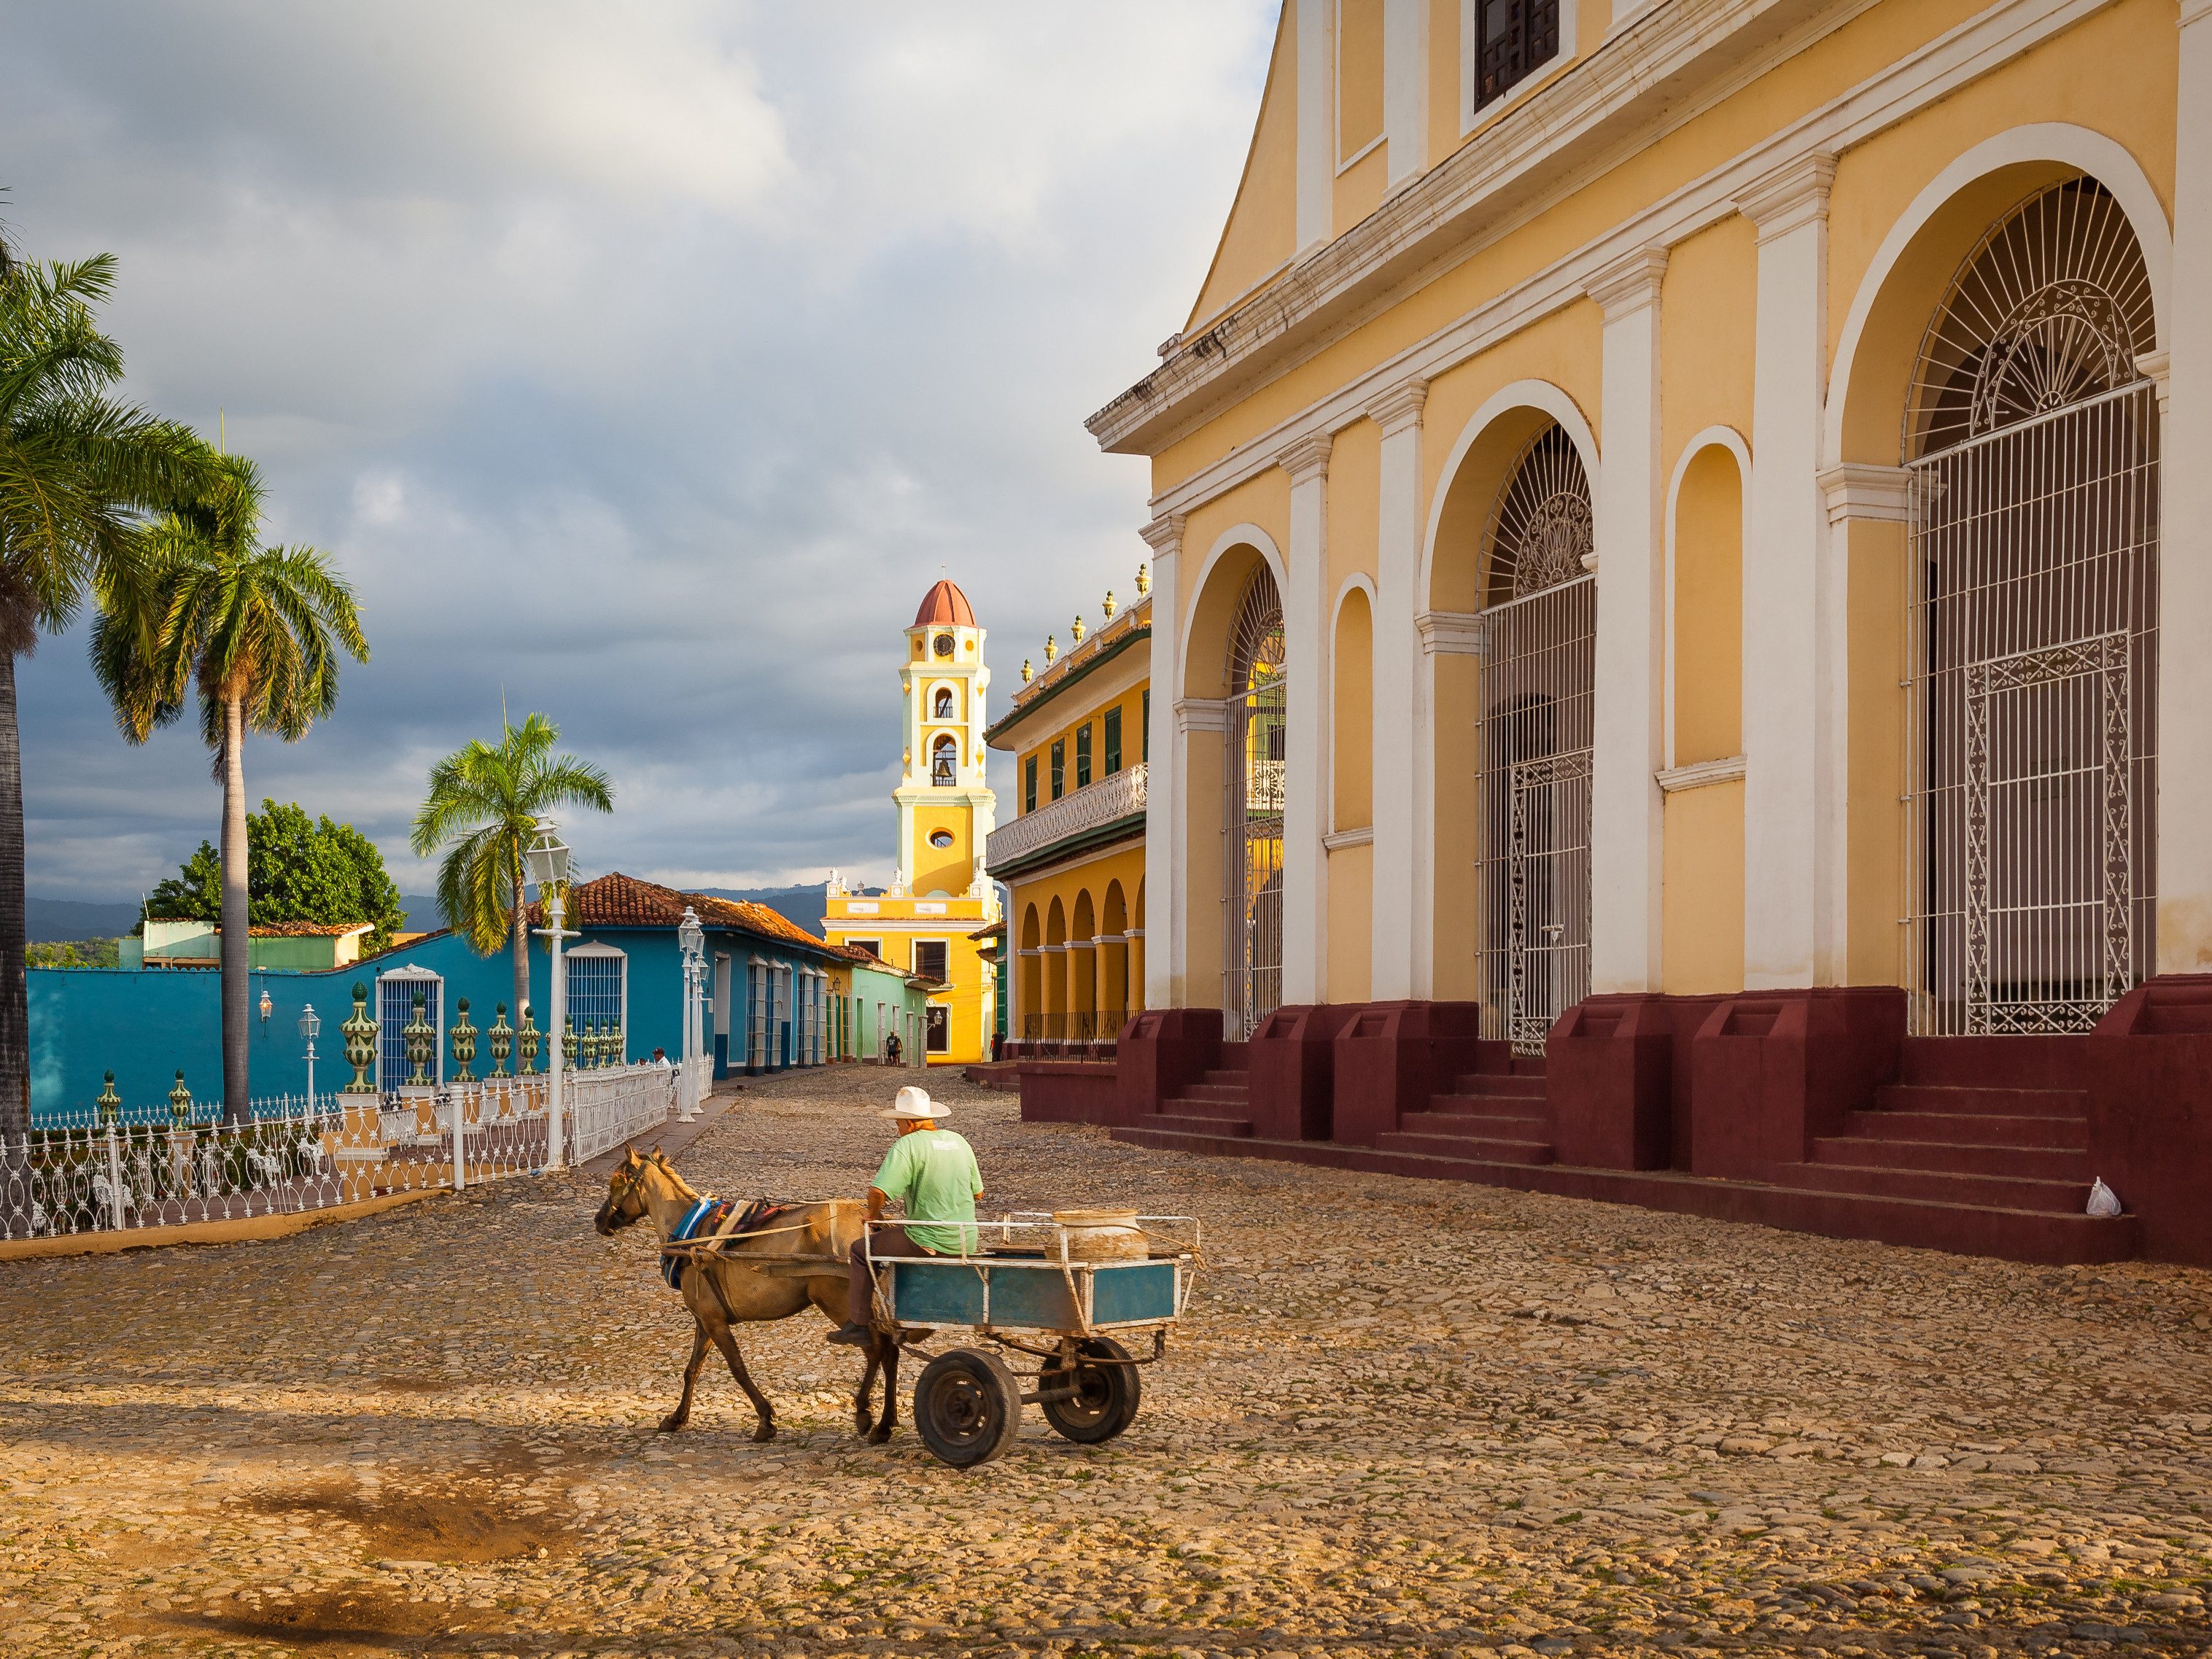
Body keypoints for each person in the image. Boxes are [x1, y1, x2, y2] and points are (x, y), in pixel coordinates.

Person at [826, 1084, 982, 1347]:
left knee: (860, 1251)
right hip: (966, 1239)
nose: (897, 1129)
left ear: (910, 1123)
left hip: (929, 1241)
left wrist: (872, 1215)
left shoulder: (908, 1145)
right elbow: (978, 1194)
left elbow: (878, 1191)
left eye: (898, 1123)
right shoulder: (959, 1141)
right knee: (895, 1236)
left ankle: (858, 1324)